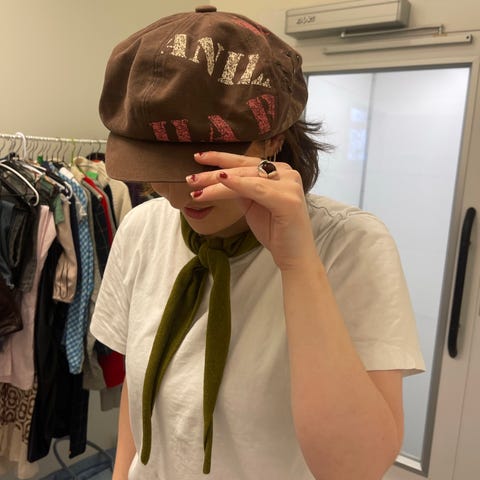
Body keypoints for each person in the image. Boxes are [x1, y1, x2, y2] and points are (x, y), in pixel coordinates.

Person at [90, 5, 425, 480]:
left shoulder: (350, 245)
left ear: (273, 139)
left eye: (202, 164)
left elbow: (356, 467)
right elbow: (140, 395)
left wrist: (297, 264)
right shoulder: (143, 227)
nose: (179, 193)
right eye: (155, 166)